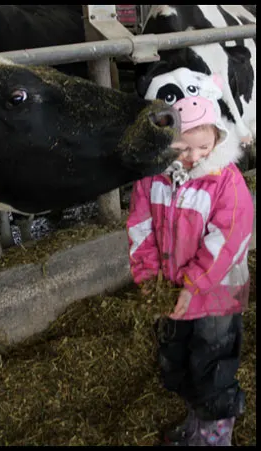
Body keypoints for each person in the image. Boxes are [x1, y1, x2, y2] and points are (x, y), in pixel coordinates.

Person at [126, 71, 254, 446]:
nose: (193, 158)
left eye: (203, 147)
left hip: (214, 296)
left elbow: (227, 243)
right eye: (182, 148)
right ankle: (197, 422)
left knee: (212, 364)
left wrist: (192, 284)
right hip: (171, 291)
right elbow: (139, 227)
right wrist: (148, 276)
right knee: (178, 357)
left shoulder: (226, 183)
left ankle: (215, 434)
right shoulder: (152, 179)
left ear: (217, 137)